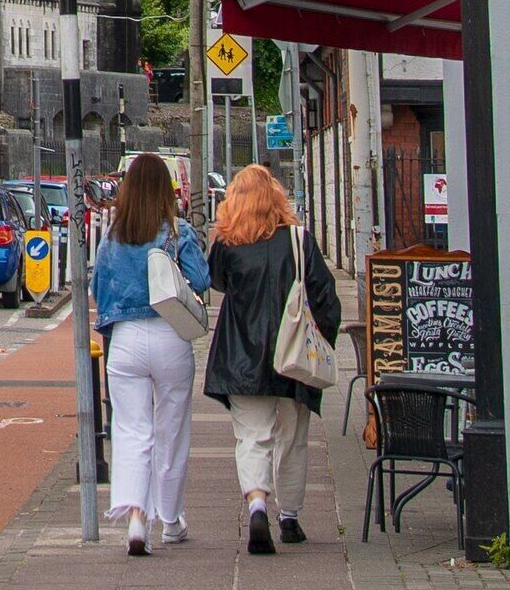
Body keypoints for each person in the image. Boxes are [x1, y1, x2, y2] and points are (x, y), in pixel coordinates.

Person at [200, 163, 342, 553]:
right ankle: (291, 518)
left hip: (243, 356)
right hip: (293, 355)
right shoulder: (299, 240)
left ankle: (257, 503)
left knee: (252, 437)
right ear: (276, 197)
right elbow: (327, 298)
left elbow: (217, 284)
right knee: (293, 439)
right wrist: (322, 343)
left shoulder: (227, 245)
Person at [87, 152, 210, 553]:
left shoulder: (111, 237)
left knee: (130, 429)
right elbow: (202, 279)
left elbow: (97, 290)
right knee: (170, 432)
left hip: (125, 342)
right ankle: (170, 520)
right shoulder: (177, 232)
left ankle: (136, 518)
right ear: (165, 191)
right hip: (170, 335)